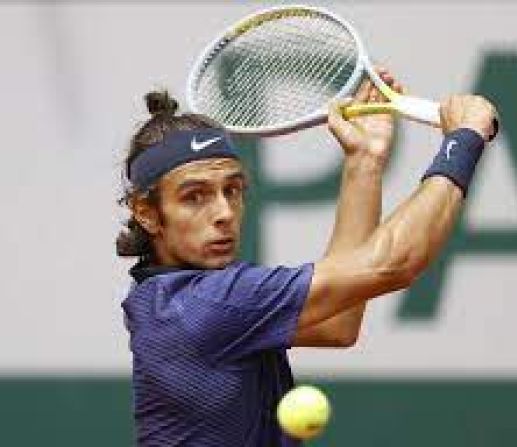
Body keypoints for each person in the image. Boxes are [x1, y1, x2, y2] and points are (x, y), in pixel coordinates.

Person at [118, 70, 497, 446]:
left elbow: (338, 323)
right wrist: (463, 141)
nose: (224, 212)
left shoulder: (171, 302)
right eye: (194, 196)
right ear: (146, 213)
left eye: (232, 190)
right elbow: (393, 263)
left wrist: (364, 161)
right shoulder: (201, 306)